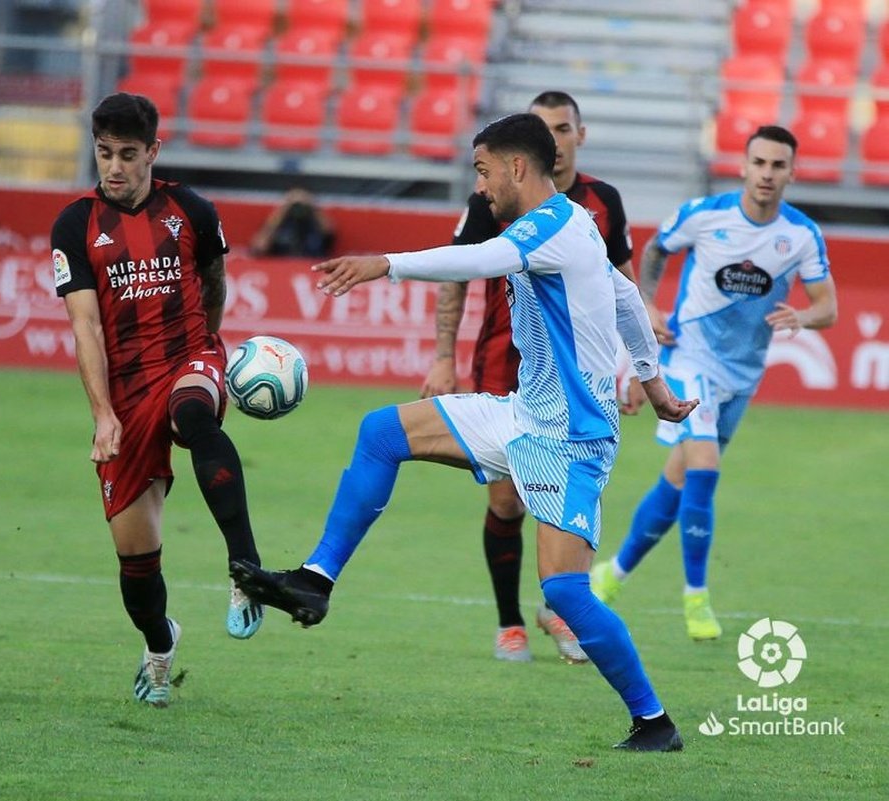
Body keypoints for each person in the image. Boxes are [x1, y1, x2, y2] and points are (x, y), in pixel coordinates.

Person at [232, 113, 699, 751]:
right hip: (520, 414)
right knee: (382, 432)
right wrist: (653, 382)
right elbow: (624, 299)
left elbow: (482, 259)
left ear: (515, 166)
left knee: (564, 590)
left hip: (572, 439)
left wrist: (384, 264)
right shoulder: (577, 223)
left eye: (483, 171)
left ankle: (654, 722)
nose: (479, 187)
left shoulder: (551, 226)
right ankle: (316, 580)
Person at [50, 92, 264, 708]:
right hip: (125, 391)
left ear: (153, 152)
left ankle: (245, 571)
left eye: (127, 155)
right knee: (136, 565)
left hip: (188, 357)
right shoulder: (75, 224)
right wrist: (103, 415)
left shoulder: (191, 210)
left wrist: (210, 350)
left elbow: (215, 283)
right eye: (104, 154)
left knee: (195, 413)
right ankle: (160, 644)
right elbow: (84, 327)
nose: (114, 168)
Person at [590, 125, 837, 641]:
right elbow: (655, 251)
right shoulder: (705, 214)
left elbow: (828, 307)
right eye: (760, 163)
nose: (767, 174)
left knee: (679, 481)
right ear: (744, 166)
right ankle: (697, 598)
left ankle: (612, 576)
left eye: (778, 165)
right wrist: (650, 304)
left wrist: (803, 318)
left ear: (792, 172)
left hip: (743, 375)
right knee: (704, 464)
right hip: (690, 356)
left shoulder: (801, 235)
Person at [420, 90, 642, 665]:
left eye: (564, 128)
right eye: (545, 129)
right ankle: (510, 621)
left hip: (574, 380)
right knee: (506, 500)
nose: (557, 139)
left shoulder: (601, 203)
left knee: (566, 498)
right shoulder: (491, 197)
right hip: (503, 359)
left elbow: (623, 285)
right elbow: (457, 273)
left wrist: (638, 368)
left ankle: (559, 604)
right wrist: (444, 355)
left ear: (578, 136)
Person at [249, 187, 335, 258]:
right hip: (281, 269)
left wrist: (311, 205)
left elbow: (328, 231)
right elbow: (259, 247)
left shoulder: (316, 223)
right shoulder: (279, 224)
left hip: (312, 268)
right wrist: (285, 207)